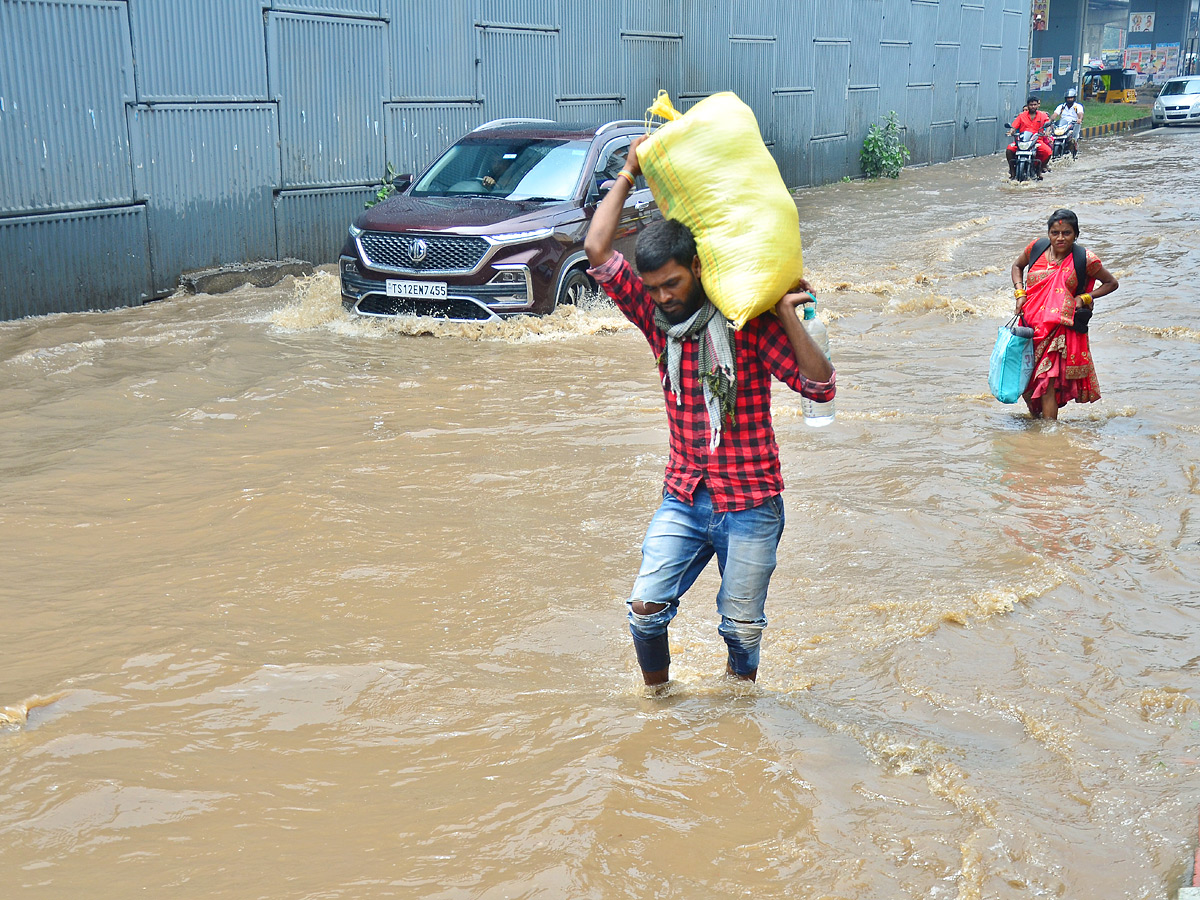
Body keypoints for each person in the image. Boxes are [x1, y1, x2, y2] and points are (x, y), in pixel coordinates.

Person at [583, 136, 836, 687]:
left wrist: (789, 313)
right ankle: (658, 701)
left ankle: (737, 707)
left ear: (697, 267)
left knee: (741, 629)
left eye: (672, 283)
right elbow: (598, 251)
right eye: (653, 288)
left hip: (750, 502)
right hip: (685, 494)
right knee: (645, 608)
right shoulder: (659, 326)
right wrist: (628, 171)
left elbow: (820, 389)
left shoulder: (746, 324)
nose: (663, 297)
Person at [1010, 208, 1119, 420]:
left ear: (1075, 234)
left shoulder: (1084, 259)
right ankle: (1037, 424)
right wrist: (1020, 293)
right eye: (1055, 232)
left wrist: (1085, 297)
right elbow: (1017, 266)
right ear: (1049, 233)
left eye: (1066, 233)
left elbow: (1111, 283)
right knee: (1028, 382)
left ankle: (1050, 435)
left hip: (1058, 330)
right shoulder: (1036, 249)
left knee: (1047, 380)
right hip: (1030, 327)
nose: (1060, 238)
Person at [1007, 95, 1052, 179]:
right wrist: (1011, 131)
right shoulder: (1021, 115)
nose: (1033, 106)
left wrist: (1047, 131)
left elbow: (1048, 123)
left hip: (1037, 140)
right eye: (1031, 105)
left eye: (1035, 104)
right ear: (1028, 105)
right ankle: (1012, 172)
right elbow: (1014, 126)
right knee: (1009, 149)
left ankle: (1040, 169)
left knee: (1048, 152)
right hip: (1022, 141)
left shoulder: (1042, 115)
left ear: (1037, 105)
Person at [1050, 88, 1085, 157]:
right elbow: (1055, 114)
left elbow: (1080, 114)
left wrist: (1079, 119)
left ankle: (1074, 147)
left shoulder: (1078, 106)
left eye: (1071, 98)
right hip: (1062, 125)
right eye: (1068, 98)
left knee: (1073, 139)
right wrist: (1050, 120)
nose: (1069, 99)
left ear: (1074, 98)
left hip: (1073, 124)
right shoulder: (1061, 106)